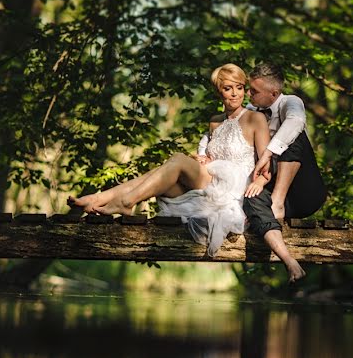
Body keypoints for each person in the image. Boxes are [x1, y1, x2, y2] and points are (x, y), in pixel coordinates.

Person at [68, 64, 306, 281]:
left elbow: (266, 166)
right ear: (219, 92)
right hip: (210, 182)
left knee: (178, 161)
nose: (235, 94)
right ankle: (100, 198)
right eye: (227, 88)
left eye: (240, 88)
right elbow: (213, 156)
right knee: (160, 173)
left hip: (233, 188)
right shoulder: (214, 121)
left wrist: (260, 183)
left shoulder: (256, 118)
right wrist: (203, 157)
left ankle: (124, 201)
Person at [203, 63, 325, 280]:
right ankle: (290, 263)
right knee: (251, 197)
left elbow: (296, 122)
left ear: (274, 93)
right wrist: (203, 152)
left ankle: (276, 201)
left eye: (254, 91)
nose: (247, 94)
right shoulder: (251, 112)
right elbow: (220, 130)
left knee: (295, 136)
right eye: (247, 89)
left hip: (303, 191)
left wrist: (268, 153)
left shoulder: (291, 102)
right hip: (272, 186)